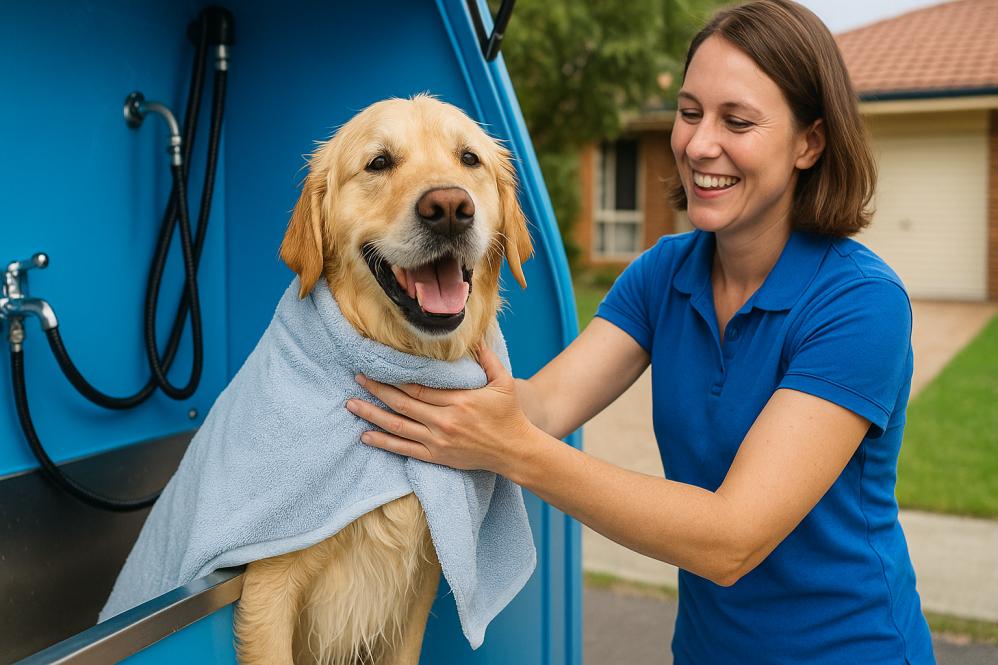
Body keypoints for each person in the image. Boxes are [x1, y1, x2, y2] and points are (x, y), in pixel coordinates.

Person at [344, 1, 936, 662]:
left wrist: (511, 447)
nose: (699, 143)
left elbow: (730, 539)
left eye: (736, 121)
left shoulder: (859, 304)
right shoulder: (664, 274)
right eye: (689, 112)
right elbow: (542, 408)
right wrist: (468, 394)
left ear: (809, 143)